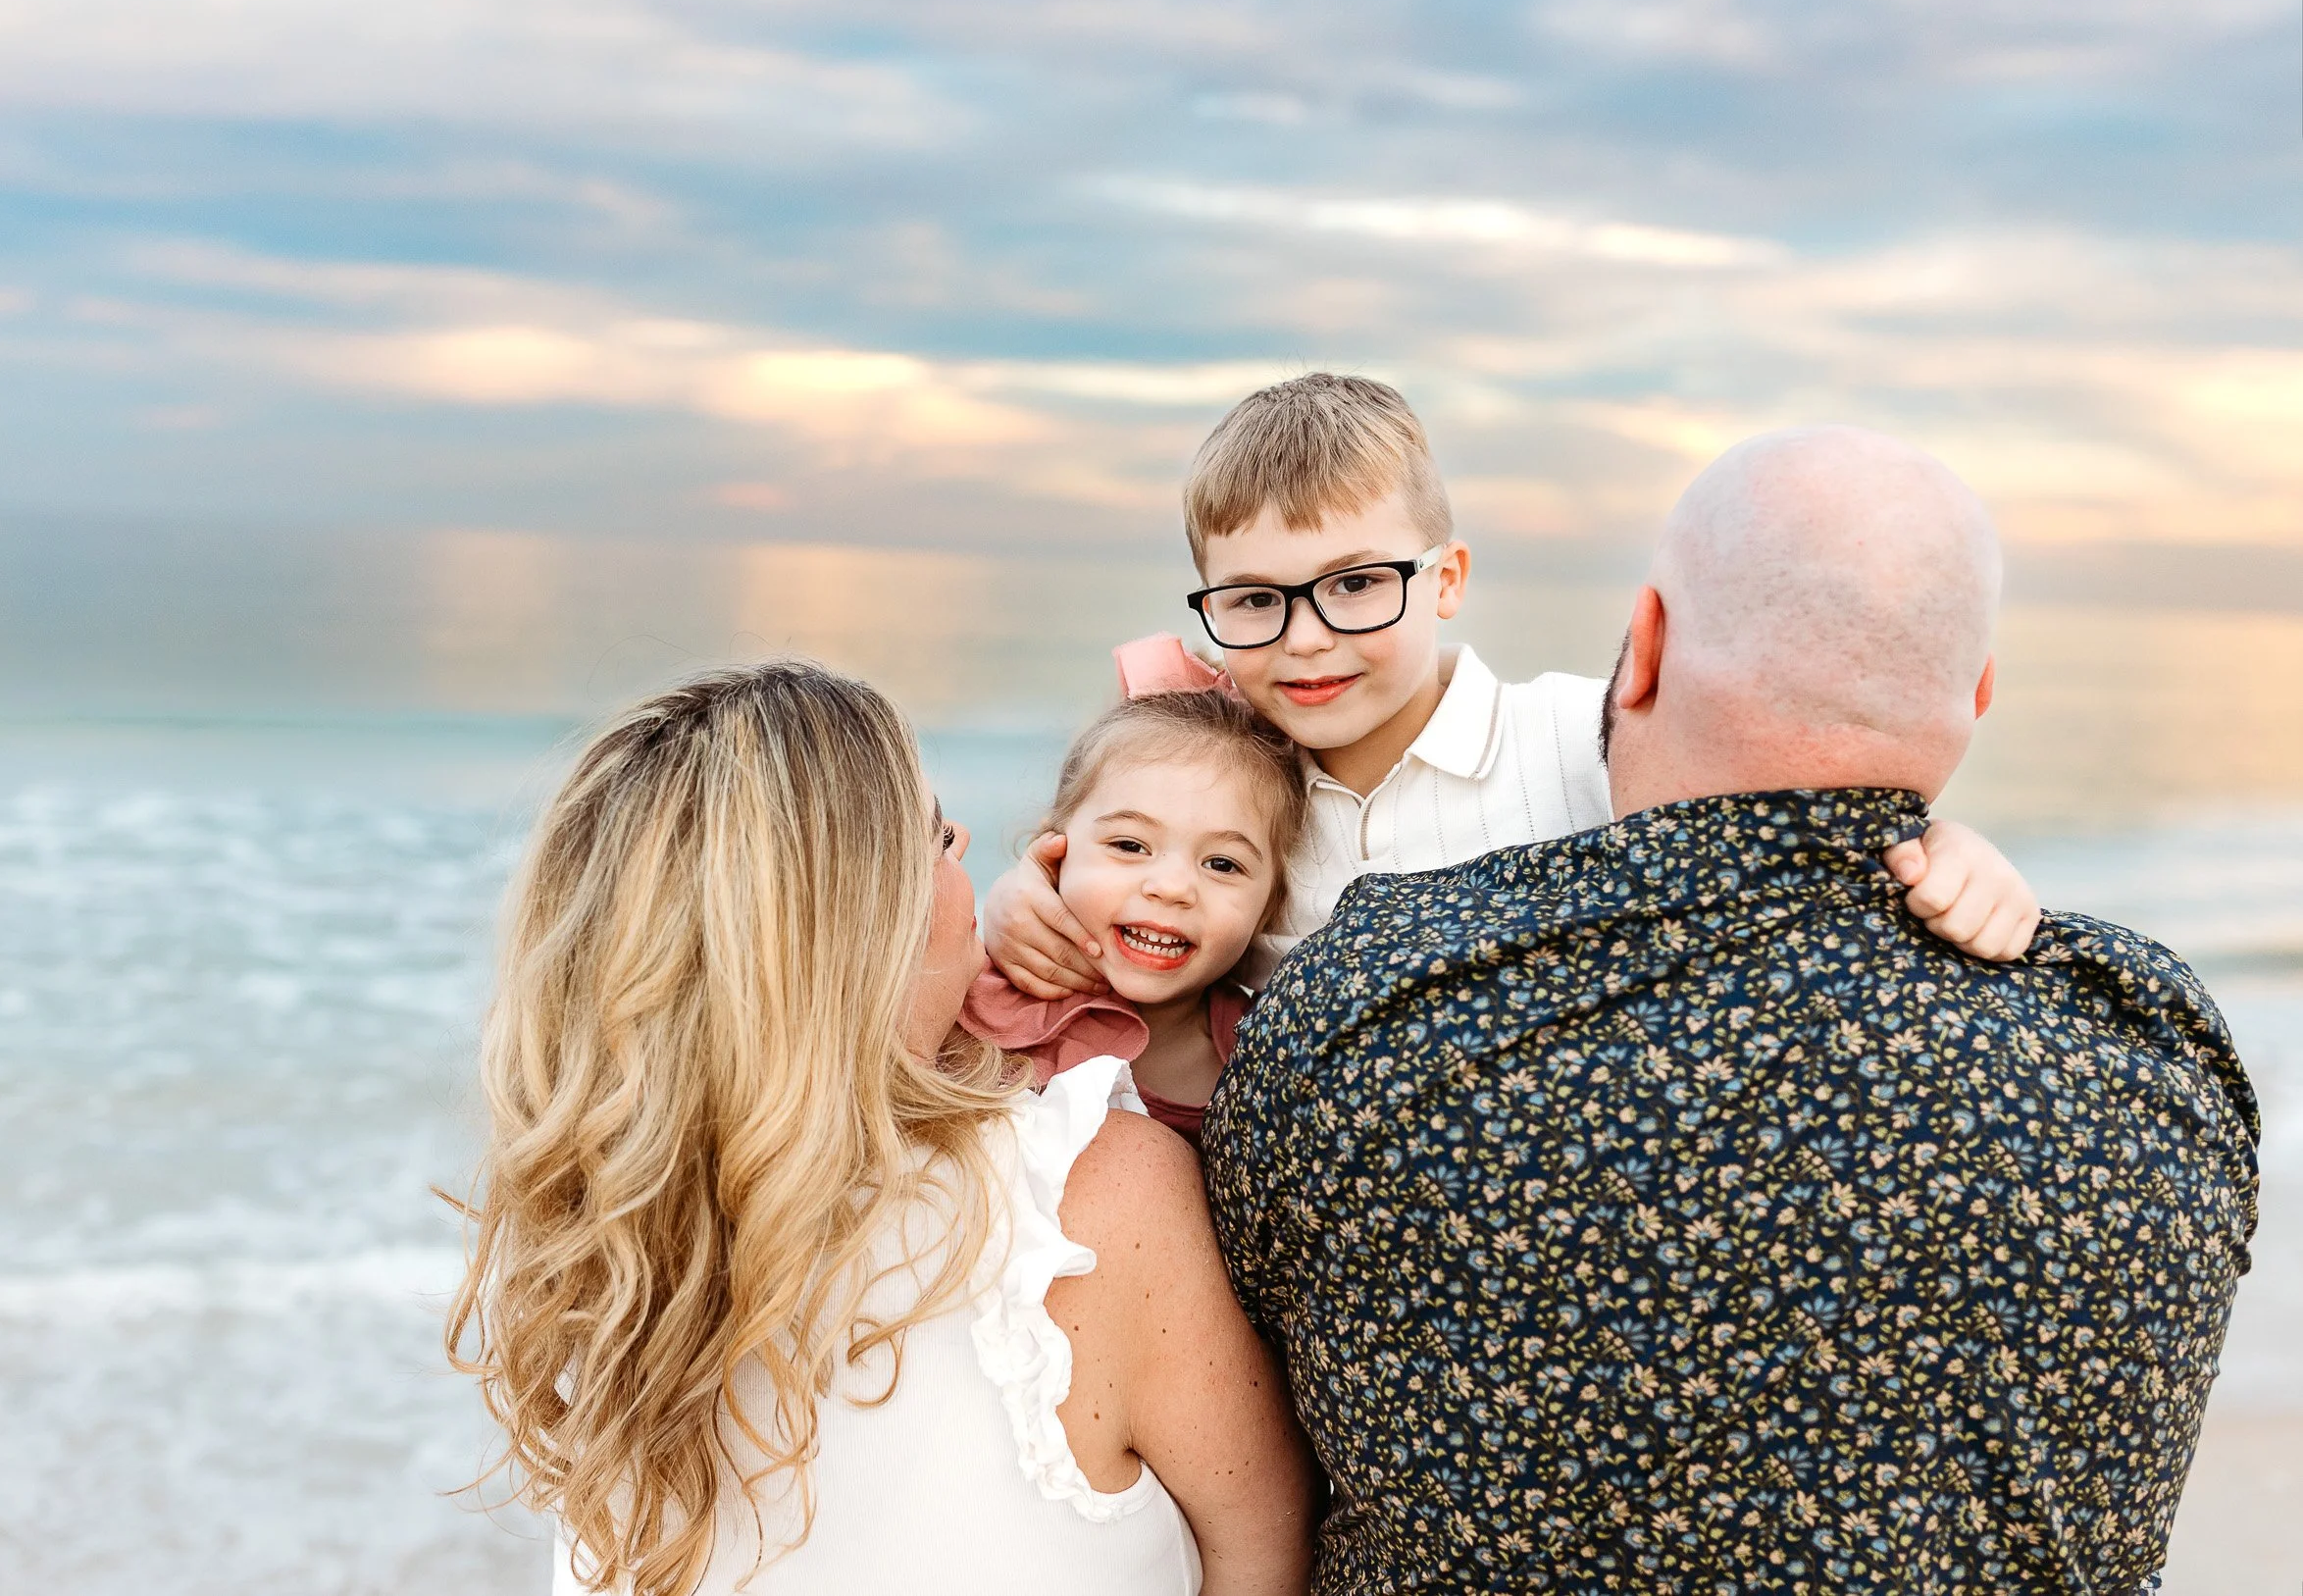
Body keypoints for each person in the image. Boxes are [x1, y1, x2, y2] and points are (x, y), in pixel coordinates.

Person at [1202, 427, 2262, 1594]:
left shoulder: (1361, 1006)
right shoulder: (2153, 1045)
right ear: (1979, 696)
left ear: (1641, 649)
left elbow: (1245, 1346)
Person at [444, 662, 1315, 1596]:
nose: (972, 846)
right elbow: (1266, 1544)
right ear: (861, 918)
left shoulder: (594, 1245)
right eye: (937, 835)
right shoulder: (1085, 1197)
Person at [984, 374, 2043, 1004]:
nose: (1306, 641)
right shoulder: (1207, 786)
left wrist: (1950, 853)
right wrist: (1022, 903)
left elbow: (1784, 838)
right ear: (1208, 603)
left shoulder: (1583, 740)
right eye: (1256, 599)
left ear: (1445, 579)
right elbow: (1118, 887)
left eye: (1357, 584)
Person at [959, 690, 1306, 1142]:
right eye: (1129, 845)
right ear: (1053, 855)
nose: (1172, 887)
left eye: (1222, 864)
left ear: (1270, 908)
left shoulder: (1267, 1062)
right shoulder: (966, 1002)